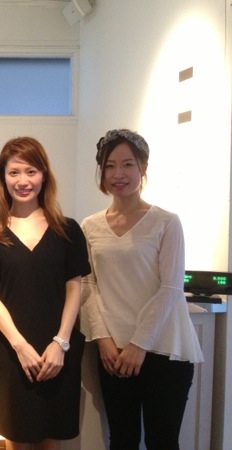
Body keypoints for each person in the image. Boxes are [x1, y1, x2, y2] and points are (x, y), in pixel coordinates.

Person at [80, 129, 204, 450]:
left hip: (163, 348)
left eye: (127, 164)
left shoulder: (166, 222)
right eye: (110, 166)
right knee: (122, 440)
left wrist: (139, 345)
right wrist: (103, 339)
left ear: (143, 168)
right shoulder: (89, 226)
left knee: (163, 442)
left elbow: (171, 288)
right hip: (113, 352)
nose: (118, 174)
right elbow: (88, 285)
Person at [0, 136, 91, 450]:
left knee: (50, 437)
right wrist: (20, 346)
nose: (23, 180)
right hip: (9, 349)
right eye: (14, 172)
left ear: (44, 176)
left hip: (57, 350)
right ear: (3, 178)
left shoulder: (68, 230)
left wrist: (61, 343)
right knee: (15, 437)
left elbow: (75, 287)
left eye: (31, 171)